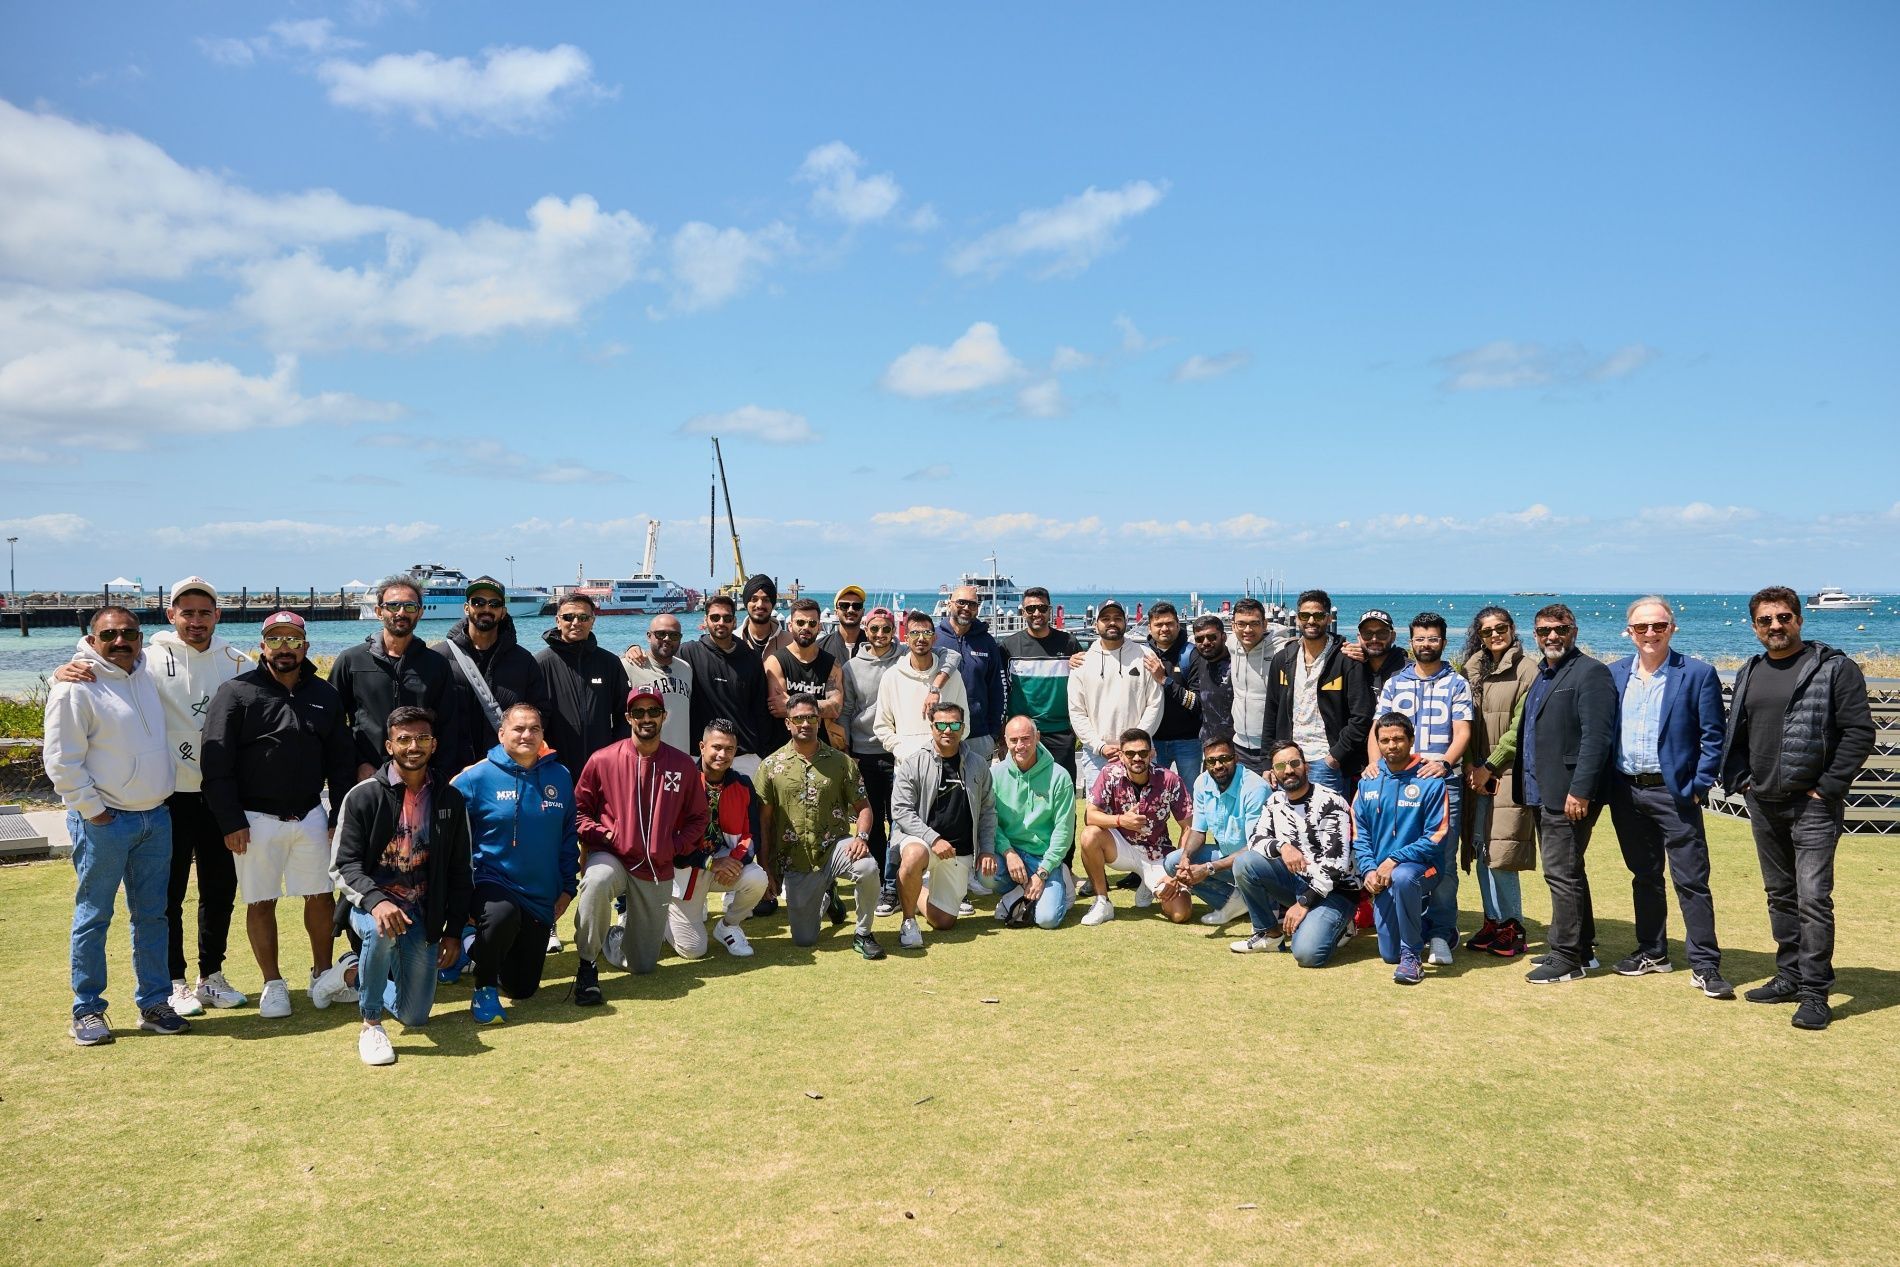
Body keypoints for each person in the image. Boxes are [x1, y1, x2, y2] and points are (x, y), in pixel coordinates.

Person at [51, 576, 252, 1016]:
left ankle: (211, 976)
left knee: (220, 889)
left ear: (218, 615)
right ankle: (175, 982)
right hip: (168, 798)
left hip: (219, 796)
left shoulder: (238, 662)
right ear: (171, 616)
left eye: (205, 612)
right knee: (166, 897)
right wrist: (61, 671)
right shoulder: (147, 658)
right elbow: (100, 670)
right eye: (187, 613)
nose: (196, 621)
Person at [1719, 585, 1874, 1030]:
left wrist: (1827, 788)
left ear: (1799, 620)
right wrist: (1743, 781)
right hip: (1763, 800)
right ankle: (1788, 975)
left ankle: (1814, 992)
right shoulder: (1751, 669)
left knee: (1813, 900)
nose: (1776, 626)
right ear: (1755, 627)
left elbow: (1859, 733)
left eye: (1783, 617)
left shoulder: (1834, 668)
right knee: (1780, 896)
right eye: (1766, 620)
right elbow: (1741, 731)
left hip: (1813, 807)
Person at [200, 612, 360, 1020]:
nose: (285, 648)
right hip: (254, 819)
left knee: (321, 895)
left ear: (305, 647)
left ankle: (322, 974)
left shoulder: (324, 694)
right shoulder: (235, 692)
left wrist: (337, 815)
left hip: (309, 813)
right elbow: (216, 764)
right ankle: (273, 983)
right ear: (263, 645)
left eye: (293, 640)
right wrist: (230, 820)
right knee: (261, 900)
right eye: (276, 640)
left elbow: (341, 762)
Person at [43, 607, 188, 1044]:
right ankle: (86, 1009)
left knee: (152, 917)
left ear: (141, 637)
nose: (121, 642)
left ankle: (154, 1002)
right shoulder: (76, 687)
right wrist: (92, 810)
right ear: (92, 639)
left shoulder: (148, 671)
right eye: (110, 635)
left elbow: (186, 637)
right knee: (94, 916)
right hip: (105, 821)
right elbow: (60, 760)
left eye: (129, 634)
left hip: (155, 816)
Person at [331, 706, 474, 1066]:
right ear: (389, 745)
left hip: (422, 912)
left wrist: (453, 930)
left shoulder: (450, 799)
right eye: (405, 739)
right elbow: (343, 864)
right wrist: (376, 901)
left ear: (434, 744)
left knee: (415, 1016)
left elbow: (460, 869)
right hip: (371, 905)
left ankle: (353, 976)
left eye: (422, 738)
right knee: (381, 931)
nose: (414, 746)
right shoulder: (364, 796)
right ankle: (371, 1023)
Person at [1606, 596, 1733, 997]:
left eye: (1658, 626)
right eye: (1641, 627)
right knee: (1644, 876)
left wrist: (1698, 786)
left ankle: (1706, 965)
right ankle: (1652, 951)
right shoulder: (1613, 674)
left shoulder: (1696, 674)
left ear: (1672, 629)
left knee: (1691, 880)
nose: (1649, 633)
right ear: (1629, 631)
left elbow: (1714, 737)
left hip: (1674, 793)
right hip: (1627, 790)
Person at [570, 686, 709, 1002]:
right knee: (595, 880)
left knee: (643, 965)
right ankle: (587, 965)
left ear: (664, 716)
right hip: (613, 856)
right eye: (638, 712)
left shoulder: (683, 764)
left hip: (657, 867)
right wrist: (605, 835)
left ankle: (612, 936)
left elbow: (699, 818)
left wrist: (674, 846)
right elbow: (578, 812)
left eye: (653, 712)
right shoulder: (603, 759)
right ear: (628, 717)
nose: (646, 718)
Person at [450, 703, 578, 1022]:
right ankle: (483, 990)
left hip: (538, 895)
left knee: (522, 989)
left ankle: (471, 947)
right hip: (492, 882)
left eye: (534, 729)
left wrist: (567, 888)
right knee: (502, 914)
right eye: (519, 728)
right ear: (502, 733)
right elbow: (441, 814)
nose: (526, 735)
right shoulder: (477, 777)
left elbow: (567, 838)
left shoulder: (559, 776)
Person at [1517, 603, 1618, 985]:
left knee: (1561, 873)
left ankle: (1567, 956)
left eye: (1559, 629)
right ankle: (1583, 947)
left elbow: (1597, 737)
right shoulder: (1545, 673)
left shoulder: (1591, 672)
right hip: (1542, 790)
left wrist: (1581, 790)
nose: (1552, 636)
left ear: (1573, 631)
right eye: (1544, 631)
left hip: (1570, 794)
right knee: (1569, 871)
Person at [1368, 612, 1472, 965]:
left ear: (1443, 641)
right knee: (1397, 853)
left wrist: (1443, 763)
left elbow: (1463, 733)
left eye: (1432, 639)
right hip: (1398, 781)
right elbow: (1378, 729)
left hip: (1442, 783)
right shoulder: (1395, 683)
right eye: (1419, 638)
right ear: (1409, 641)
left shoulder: (1456, 683)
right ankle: (1409, 926)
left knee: (1441, 860)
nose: (1425, 644)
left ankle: (1442, 932)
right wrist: (1374, 766)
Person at [755, 695, 884, 958]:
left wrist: (861, 837)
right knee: (804, 940)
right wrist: (767, 868)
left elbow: (865, 808)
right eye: (798, 718)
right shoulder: (770, 766)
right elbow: (764, 823)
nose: (805, 723)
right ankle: (829, 895)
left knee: (867, 867)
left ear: (819, 720)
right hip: (796, 859)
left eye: (811, 717)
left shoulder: (841, 762)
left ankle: (863, 933)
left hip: (835, 847)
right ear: (788, 724)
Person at [1231, 741, 1361, 965]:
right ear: (1273, 773)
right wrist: (1283, 847)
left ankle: (1343, 924)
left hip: (1336, 891)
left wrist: (1303, 903)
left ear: (1306, 766)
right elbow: (1255, 840)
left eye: (1294, 763)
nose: (1288, 770)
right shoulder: (1274, 802)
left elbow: (1336, 866)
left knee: (1307, 954)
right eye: (1281, 766)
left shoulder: (1331, 801)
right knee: (1245, 863)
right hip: (1298, 880)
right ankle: (1269, 935)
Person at [1459, 606, 1539, 959]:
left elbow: (1520, 729)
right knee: (1480, 850)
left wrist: (1489, 767)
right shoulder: (1472, 669)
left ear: (1512, 629)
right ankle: (1492, 919)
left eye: (1501, 628)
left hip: (1506, 773)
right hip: (1475, 774)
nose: (1495, 635)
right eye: (1487, 630)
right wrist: (1468, 766)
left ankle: (1513, 925)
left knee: (1501, 853)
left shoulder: (1527, 670)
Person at [329, 573, 461, 780]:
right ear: (379, 612)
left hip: (422, 777)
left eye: (410, 607)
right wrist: (357, 762)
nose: (401, 612)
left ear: (420, 613)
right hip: (367, 775)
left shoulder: (437, 665)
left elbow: (449, 727)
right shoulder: (351, 661)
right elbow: (333, 722)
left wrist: (439, 775)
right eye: (393, 606)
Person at [891, 702, 998, 948]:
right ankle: (908, 922)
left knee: (943, 921)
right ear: (932, 727)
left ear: (963, 728)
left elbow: (988, 811)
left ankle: (914, 889)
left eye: (954, 724)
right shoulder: (914, 763)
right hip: (924, 842)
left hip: (958, 852)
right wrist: (934, 839)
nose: (947, 730)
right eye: (941, 724)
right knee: (914, 855)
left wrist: (987, 849)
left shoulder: (978, 765)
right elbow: (900, 810)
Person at [1354, 714, 1450, 985]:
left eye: (1398, 739)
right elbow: (1359, 835)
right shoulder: (1368, 782)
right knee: (1388, 953)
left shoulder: (1429, 780)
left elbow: (1437, 836)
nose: (1392, 745)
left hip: (1424, 867)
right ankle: (1427, 930)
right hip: (1382, 874)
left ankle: (1413, 957)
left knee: (1403, 877)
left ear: (1410, 740)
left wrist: (1395, 859)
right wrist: (1369, 868)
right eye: (1385, 740)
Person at [665, 720, 768, 960]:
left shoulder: (742, 784)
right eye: (716, 747)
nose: (723, 754)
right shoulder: (679, 782)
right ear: (702, 747)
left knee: (756, 878)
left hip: (721, 862)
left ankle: (729, 926)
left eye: (730, 749)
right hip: (685, 869)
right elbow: (670, 840)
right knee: (693, 950)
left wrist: (736, 861)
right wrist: (710, 863)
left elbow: (751, 834)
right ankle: (662, 918)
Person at [1076, 727, 1191, 926]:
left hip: (1158, 854)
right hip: (1121, 848)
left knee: (1180, 914)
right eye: (1130, 753)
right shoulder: (1109, 774)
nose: (1137, 758)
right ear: (1121, 755)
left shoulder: (1169, 779)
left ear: (1152, 754)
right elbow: (1090, 815)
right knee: (1089, 835)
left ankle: (1149, 884)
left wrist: (1178, 871)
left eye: (1143, 753)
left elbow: (1188, 827)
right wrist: (1121, 821)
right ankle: (1102, 902)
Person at [434, 575, 548, 770]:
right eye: (478, 602)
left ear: (503, 612)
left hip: (506, 771)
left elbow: (541, 713)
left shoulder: (524, 661)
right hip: (449, 772)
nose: (486, 609)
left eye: (494, 604)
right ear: (466, 607)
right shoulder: (439, 658)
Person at [1265, 589, 1372, 796]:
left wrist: (1335, 756)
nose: (1311, 620)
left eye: (1318, 615)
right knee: (1290, 824)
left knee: (1327, 825)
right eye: (1305, 615)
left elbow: (1362, 715)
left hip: (1326, 761)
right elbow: (1271, 712)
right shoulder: (1283, 659)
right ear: (1297, 619)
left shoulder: (1346, 659)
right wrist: (1267, 761)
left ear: (1328, 618)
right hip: (1288, 759)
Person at [1158, 733, 1270, 926]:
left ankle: (1260, 902)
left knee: (1246, 862)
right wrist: (1186, 858)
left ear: (1236, 758)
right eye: (1211, 761)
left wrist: (1208, 868)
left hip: (1257, 864)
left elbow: (1255, 847)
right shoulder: (1202, 782)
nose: (1218, 765)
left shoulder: (1255, 788)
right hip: (1227, 858)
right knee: (1174, 862)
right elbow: (1198, 831)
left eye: (1224, 759)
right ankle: (1238, 902)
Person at [840, 608, 906, 913]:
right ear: (866, 630)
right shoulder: (852, 667)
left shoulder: (905, 656)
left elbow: (947, 656)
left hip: (899, 752)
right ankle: (880, 881)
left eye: (886, 629)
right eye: (875, 629)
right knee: (874, 822)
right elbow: (847, 710)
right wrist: (847, 752)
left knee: (900, 820)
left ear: (894, 630)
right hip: (865, 752)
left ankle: (895, 883)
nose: (880, 635)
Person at [990, 716, 1078, 929]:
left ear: (1037, 737)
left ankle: (1057, 881)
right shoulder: (994, 775)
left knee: (1047, 920)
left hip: (1044, 857)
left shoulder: (1059, 776)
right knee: (985, 875)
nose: (1020, 746)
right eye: (1014, 740)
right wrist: (1008, 852)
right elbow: (990, 821)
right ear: (1005, 741)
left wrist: (1043, 872)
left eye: (1026, 739)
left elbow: (1064, 831)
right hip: (1012, 854)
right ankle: (1021, 889)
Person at [1069, 600, 1164, 792]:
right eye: (1105, 618)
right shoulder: (1082, 662)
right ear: (1096, 624)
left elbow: (1155, 704)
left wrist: (1135, 745)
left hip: (1139, 754)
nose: (1112, 623)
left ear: (1126, 623)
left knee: (1142, 814)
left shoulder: (1145, 656)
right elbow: (1077, 712)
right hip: (1097, 755)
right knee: (1100, 817)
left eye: (1117, 618)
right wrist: (1099, 746)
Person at [535, 592, 631, 778]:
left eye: (583, 617)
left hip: (603, 766)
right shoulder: (541, 663)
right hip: (553, 766)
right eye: (568, 617)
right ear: (558, 620)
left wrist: (616, 753)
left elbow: (624, 714)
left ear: (592, 621)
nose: (576, 622)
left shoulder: (609, 662)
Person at [676, 594, 772, 778]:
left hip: (745, 756)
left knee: (746, 807)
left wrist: (762, 751)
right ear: (705, 620)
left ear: (734, 622)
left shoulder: (751, 658)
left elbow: (760, 709)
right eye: (715, 617)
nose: (721, 622)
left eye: (727, 618)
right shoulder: (688, 652)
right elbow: (659, 659)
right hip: (700, 755)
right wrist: (633, 649)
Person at [1000, 586, 1084, 778]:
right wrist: (1002, 731)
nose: (1036, 613)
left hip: (1060, 731)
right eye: (1030, 609)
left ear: (1049, 610)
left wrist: (1078, 724)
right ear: (1023, 612)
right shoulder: (1008, 647)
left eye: (1042, 608)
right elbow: (1001, 690)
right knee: (1021, 788)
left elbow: (1083, 686)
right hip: (1023, 733)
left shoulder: (1069, 643)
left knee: (1062, 787)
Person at [873, 610, 966, 761]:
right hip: (906, 765)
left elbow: (965, 722)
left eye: (927, 633)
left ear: (934, 638)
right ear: (906, 638)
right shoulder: (891, 677)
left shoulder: (953, 676)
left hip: (947, 764)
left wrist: (947, 750)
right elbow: (882, 726)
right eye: (915, 633)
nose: (921, 638)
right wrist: (901, 749)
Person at [936, 584, 1008, 762]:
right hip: (940, 732)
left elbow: (998, 690)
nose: (966, 608)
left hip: (979, 735)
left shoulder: (987, 642)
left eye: (972, 604)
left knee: (978, 789)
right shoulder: (935, 638)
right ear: (949, 604)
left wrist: (992, 733)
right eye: (961, 602)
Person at [1143, 602, 1204, 787]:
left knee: (1191, 799)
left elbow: (1197, 702)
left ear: (1178, 625)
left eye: (1169, 623)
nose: (1164, 629)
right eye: (1158, 624)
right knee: (1150, 797)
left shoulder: (1191, 654)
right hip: (1153, 740)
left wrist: (1165, 681)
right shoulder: (1142, 654)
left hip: (1188, 740)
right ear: (1149, 627)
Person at [765, 597, 844, 737]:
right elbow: (778, 709)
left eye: (812, 623)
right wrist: (820, 707)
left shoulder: (832, 663)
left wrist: (791, 704)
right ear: (790, 626)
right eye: (800, 622)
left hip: (821, 746)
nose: (806, 627)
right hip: (785, 746)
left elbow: (835, 708)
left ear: (819, 627)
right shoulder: (776, 661)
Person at [623, 612, 695, 754]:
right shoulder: (629, 665)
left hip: (681, 755)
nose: (667, 639)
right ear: (649, 636)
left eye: (674, 635)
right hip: (642, 756)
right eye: (661, 634)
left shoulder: (686, 668)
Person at [1226, 598, 1276, 774]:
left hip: (1271, 747)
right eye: (1241, 624)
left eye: (1254, 624)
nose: (1247, 630)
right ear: (1233, 626)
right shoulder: (1232, 644)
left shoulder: (1281, 650)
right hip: (1239, 745)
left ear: (1264, 624)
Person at [1171, 614, 1235, 751]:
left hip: (1238, 747)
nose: (1205, 642)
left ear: (1223, 637)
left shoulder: (1237, 663)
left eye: (1212, 637)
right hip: (1209, 746)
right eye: (1199, 639)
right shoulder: (1198, 662)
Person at [1342, 609, 1411, 701]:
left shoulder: (1408, 671)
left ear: (1393, 636)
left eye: (1382, 633)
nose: (1374, 639)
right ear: (1359, 638)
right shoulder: (1351, 667)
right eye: (1367, 633)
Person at [739, 574, 790, 655]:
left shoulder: (789, 642)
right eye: (754, 599)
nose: (760, 605)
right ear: (746, 603)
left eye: (766, 600)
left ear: (772, 604)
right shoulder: (733, 640)